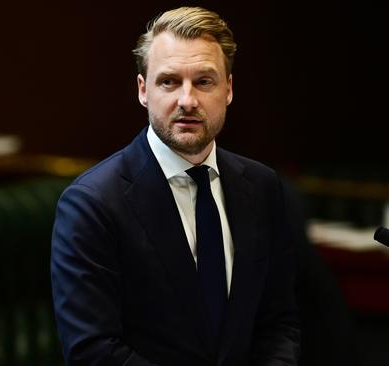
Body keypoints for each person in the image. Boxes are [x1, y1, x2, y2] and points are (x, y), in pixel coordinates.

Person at [50, 6, 300, 366]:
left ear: (228, 89)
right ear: (143, 90)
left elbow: (278, 322)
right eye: (169, 81)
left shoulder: (261, 186)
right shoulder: (92, 204)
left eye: (204, 81)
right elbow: (93, 351)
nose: (187, 100)